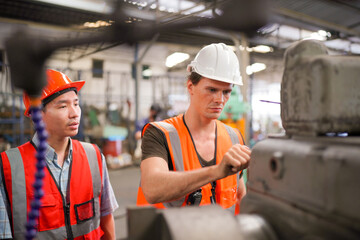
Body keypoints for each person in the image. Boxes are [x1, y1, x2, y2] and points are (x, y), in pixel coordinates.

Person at [0, 69, 118, 239]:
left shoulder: (94, 156)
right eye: (63, 106)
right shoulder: (8, 166)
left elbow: (106, 218)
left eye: (76, 104)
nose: (75, 113)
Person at [137, 43, 251, 214]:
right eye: (212, 89)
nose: (220, 99)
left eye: (226, 92)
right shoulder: (160, 134)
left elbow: (240, 195)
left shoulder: (234, 137)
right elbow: (152, 189)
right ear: (190, 87)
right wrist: (216, 171)